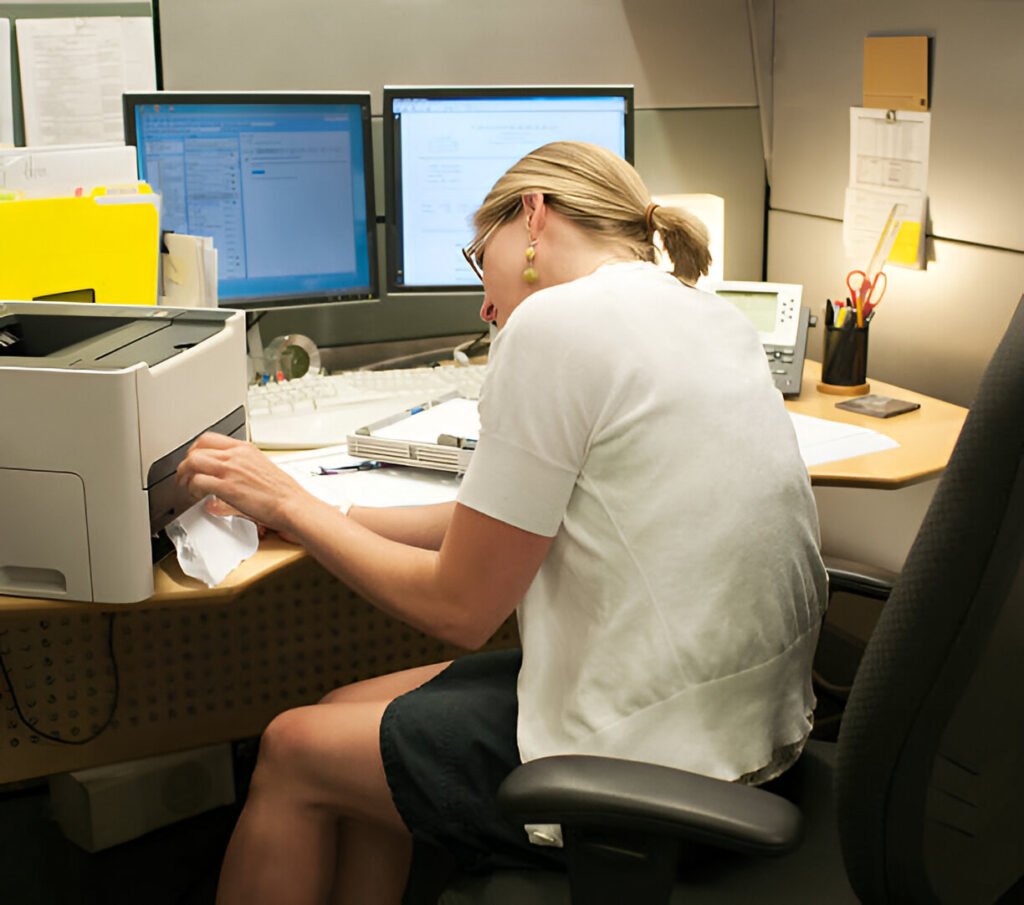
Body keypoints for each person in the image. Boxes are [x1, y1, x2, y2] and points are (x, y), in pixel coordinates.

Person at [176, 141, 827, 905]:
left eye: (477, 259)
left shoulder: (557, 323)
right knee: (339, 717)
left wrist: (288, 505)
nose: (484, 305)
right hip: (745, 726)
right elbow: (507, 517)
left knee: (293, 749)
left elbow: (459, 608)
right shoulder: (700, 311)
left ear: (532, 216)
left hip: (648, 758)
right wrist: (327, 513)